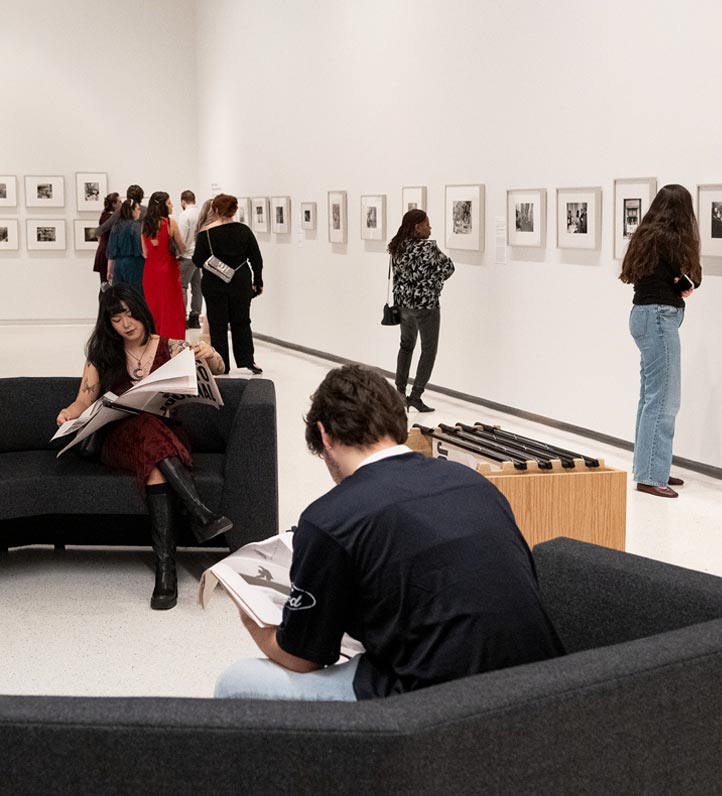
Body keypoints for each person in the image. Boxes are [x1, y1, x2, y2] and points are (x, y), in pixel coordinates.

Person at [214, 365, 564, 701]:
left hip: (441, 707)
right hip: (546, 692)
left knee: (238, 682)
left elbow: (302, 659)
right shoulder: (473, 483)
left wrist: (252, 619)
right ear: (398, 422)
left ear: (324, 435)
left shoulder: (329, 519)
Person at [55, 285, 229, 610]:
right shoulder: (102, 354)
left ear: (141, 311)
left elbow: (218, 369)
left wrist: (209, 353)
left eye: (130, 314)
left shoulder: (171, 346)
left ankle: (166, 573)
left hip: (165, 436)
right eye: (116, 318)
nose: (126, 323)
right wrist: (69, 413)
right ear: (108, 323)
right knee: (146, 430)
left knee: (154, 460)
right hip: (119, 440)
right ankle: (200, 515)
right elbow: (83, 399)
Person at [620, 184, 702, 498]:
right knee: (664, 400)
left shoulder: (646, 236)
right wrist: (683, 283)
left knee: (650, 397)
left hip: (642, 316)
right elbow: (694, 278)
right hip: (658, 318)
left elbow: (678, 278)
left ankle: (652, 468)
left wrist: (680, 282)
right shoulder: (673, 241)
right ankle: (651, 476)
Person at [388, 209, 455, 413]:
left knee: (406, 346)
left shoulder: (397, 246)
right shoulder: (428, 248)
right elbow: (449, 268)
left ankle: (399, 393)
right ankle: (416, 396)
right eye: (427, 224)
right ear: (418, 227)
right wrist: (432, 282)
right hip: (425, 305)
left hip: (403, 305)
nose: (430, 228)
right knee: (428, 350)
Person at [192, 193, 264, 375]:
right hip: (240, 281)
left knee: (218, 324)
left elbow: (198, 260)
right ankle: (247, 360)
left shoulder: (206, 234)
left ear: (215, 210)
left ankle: (221, 364)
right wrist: (258, 281)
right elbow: (256, 258)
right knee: (242, 321)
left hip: (214, 283)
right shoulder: (244, 231)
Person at [142, 191, 187, 340]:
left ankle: (154, 340)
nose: (172, 205)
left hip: (150, 271)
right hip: (168, 270)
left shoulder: (145, 224)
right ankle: (171, 340)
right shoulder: (170, 223)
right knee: (171, 308)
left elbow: (145, 252)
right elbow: (182, 247)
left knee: (153, 307)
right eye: (169, 203)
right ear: (162, 206)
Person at [107, 198, 144, 294]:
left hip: (118, 265)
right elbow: (141, 247)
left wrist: (109, 270)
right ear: (132, 211)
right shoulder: (136, 226)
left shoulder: (116, 226)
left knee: (120, 295)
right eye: (138, 209)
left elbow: (111, 251)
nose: (140, 212)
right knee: (136, 295)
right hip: (135, 264)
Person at [177, 190, 202, 329]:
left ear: (183, 201)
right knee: (197, 287)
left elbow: (182, 238)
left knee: (182, 287)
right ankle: (195, 317)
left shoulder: (184, 215)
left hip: (187, 256)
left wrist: (178, 254)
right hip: (199, 255)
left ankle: (182, 317)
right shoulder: (201, 214)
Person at [93, 192, 120, 286]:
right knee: (108, 285)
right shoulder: (111, 218)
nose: (121, 204)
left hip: (103, 250)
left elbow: (99, 236)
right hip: (107, 253)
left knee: (104, 285)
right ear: (114, 204)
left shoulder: (103, 215)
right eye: (119, 202)